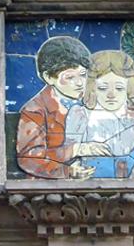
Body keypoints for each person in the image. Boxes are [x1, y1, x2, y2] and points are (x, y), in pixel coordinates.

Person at [16, 36, 111, 179]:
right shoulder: (34, 111)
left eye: (83, 75)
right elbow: (30, 159)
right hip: (49, 186)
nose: (80, 83)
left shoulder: (93, 98)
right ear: (49, 78)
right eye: (70, 77)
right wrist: (73, 158)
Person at [65, 50, 134, 179]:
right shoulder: (80, 115)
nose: (111, 95)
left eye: (119, 88)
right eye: (103, 88)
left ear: (129, 88)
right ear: (92, 88)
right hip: (94, 186)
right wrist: (74, 168)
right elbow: (66, 155)